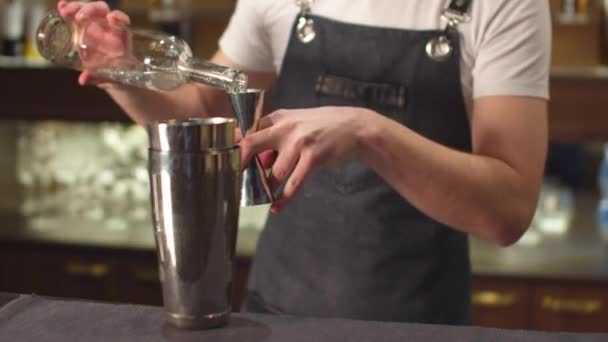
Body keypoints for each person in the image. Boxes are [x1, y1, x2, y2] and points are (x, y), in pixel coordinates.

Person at [58, 0, 551, 325]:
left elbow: (507, 209)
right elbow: (202, 112)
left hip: (419, 323)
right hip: (277, 317)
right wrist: (124, 73)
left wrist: (368, 131)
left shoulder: (503, 6)